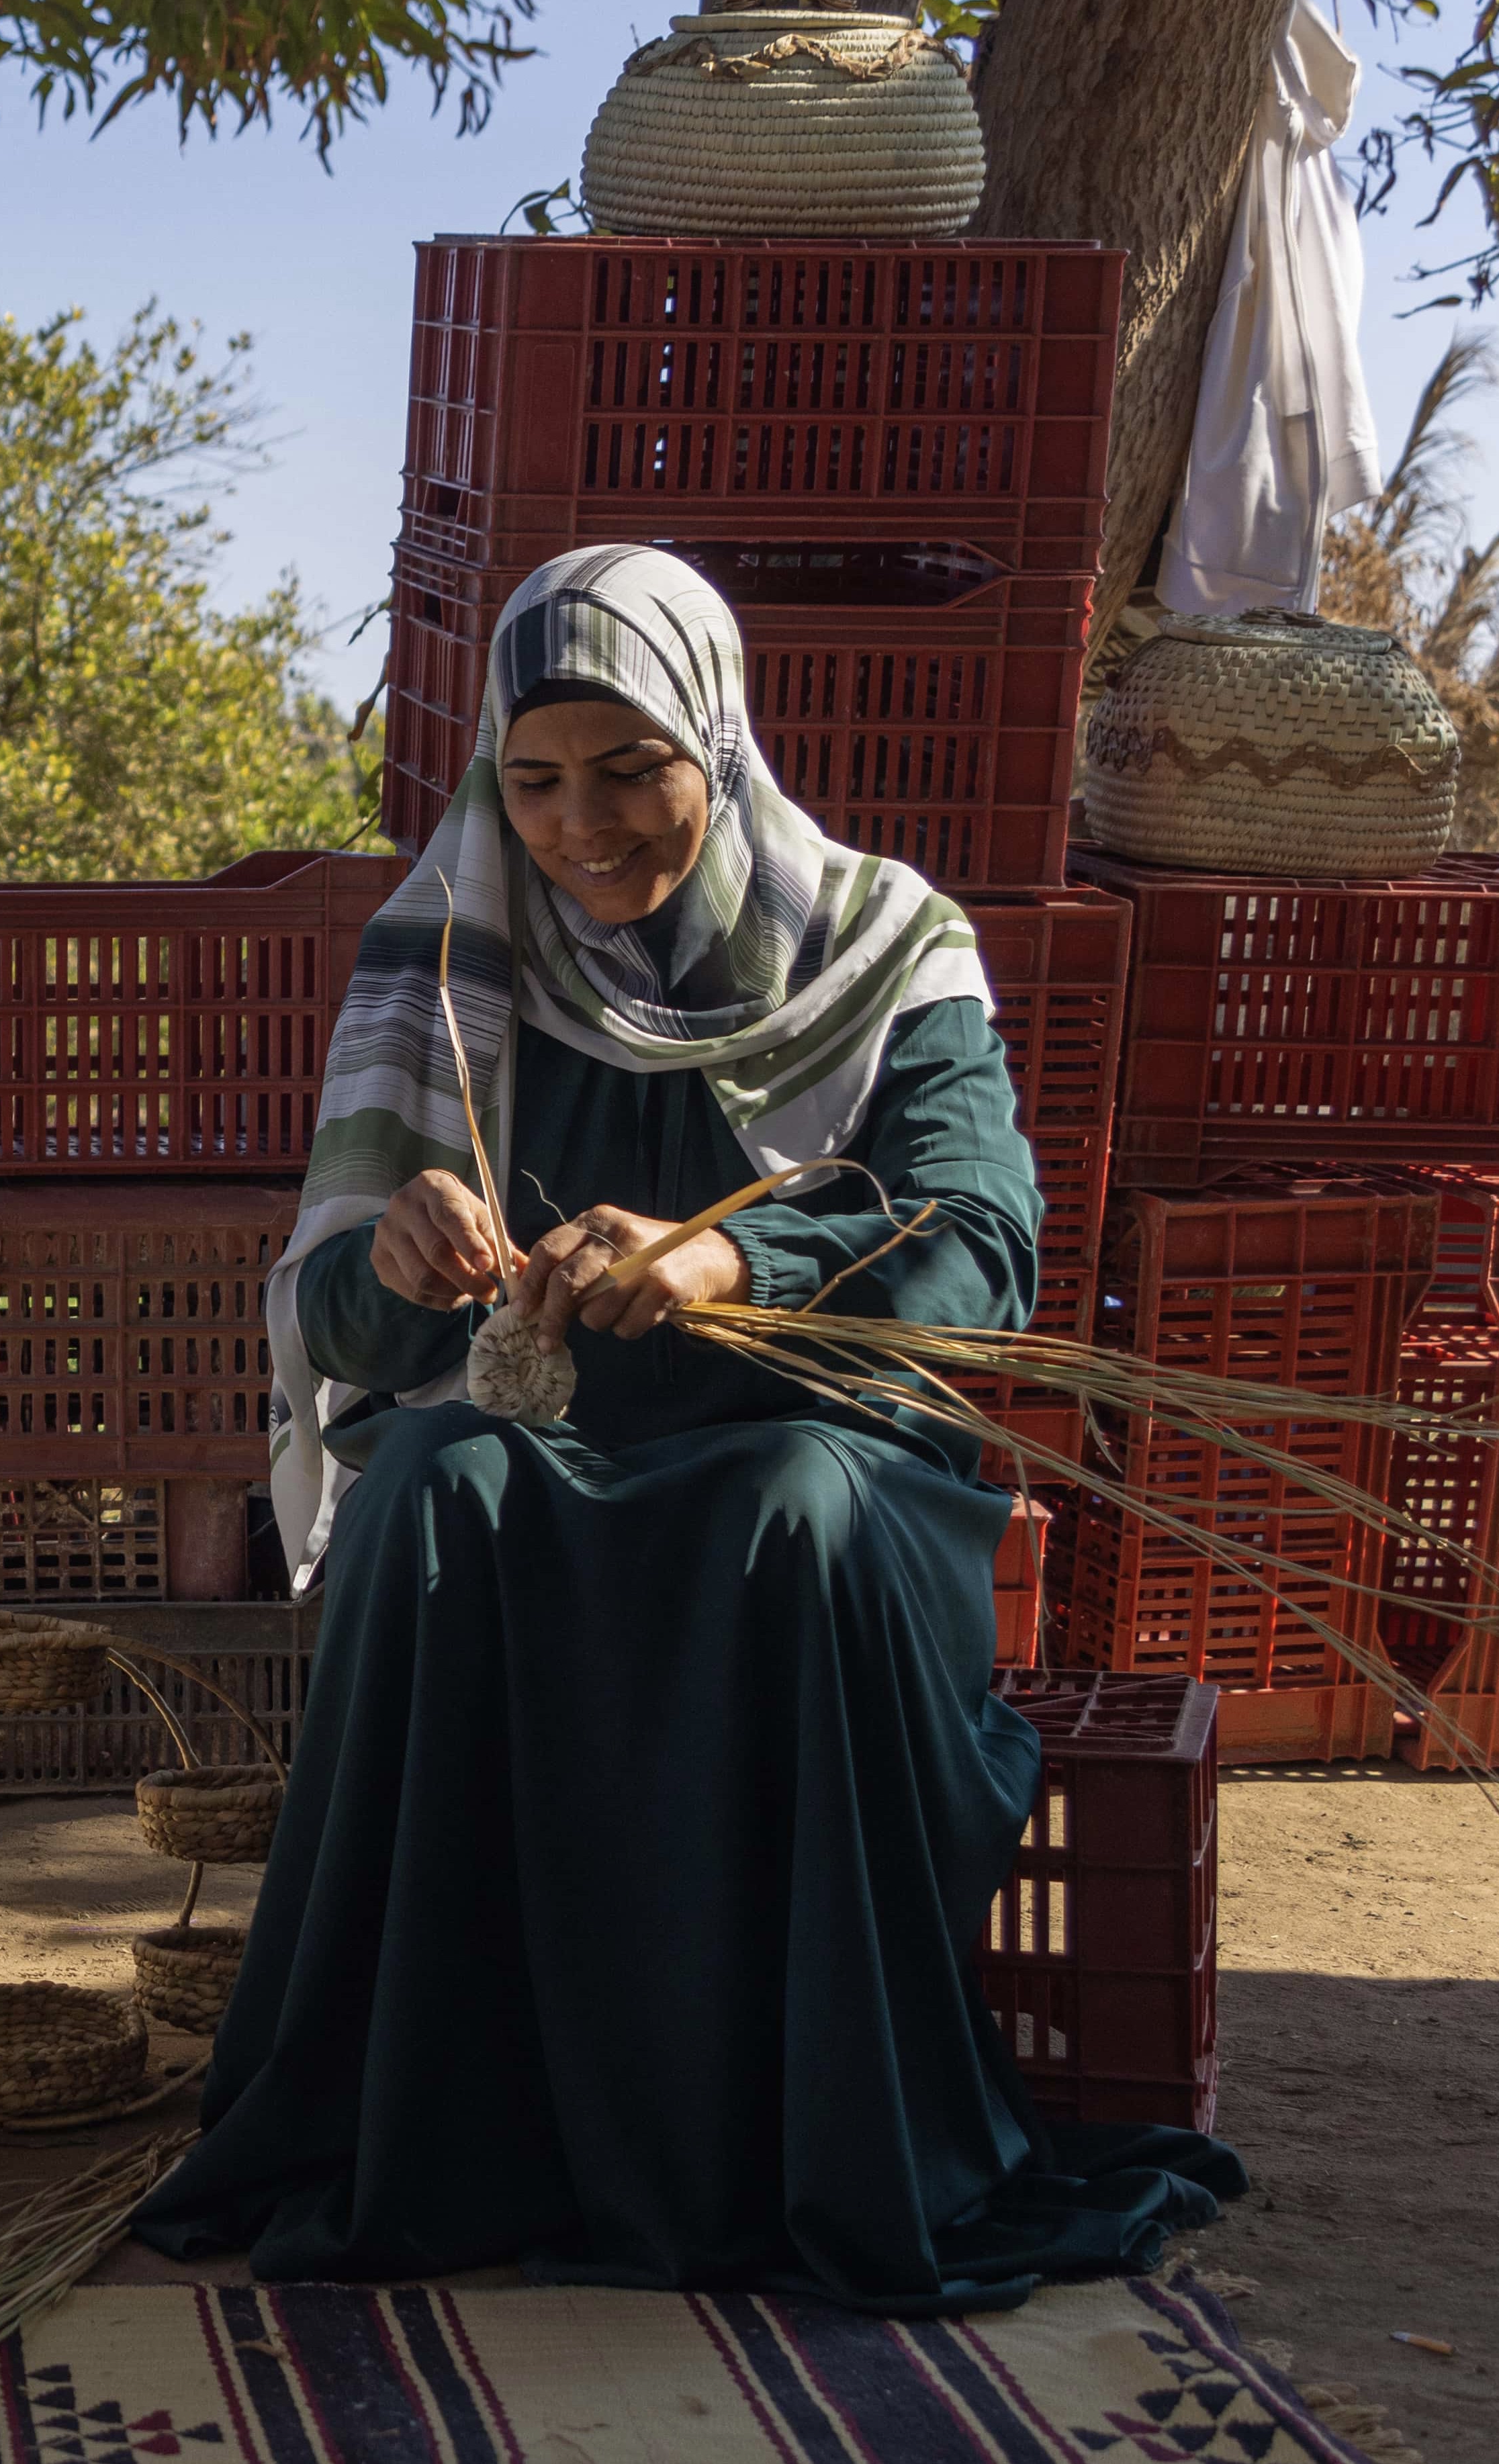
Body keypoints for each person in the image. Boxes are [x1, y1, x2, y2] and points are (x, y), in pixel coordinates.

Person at [129, 543, 1241, 2312]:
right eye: (537, 778)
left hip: (833, 1458)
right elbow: (334, 1330)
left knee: (788, 1507)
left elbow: (983, 1246)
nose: (580, 825)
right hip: (555, 1454)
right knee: (429, 1480)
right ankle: (444, 2139)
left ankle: (788, 2154)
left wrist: (735, 1253)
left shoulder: (888, 946)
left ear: (716, 747)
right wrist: (404, 1259)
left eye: (630, 770)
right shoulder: (446, 958)